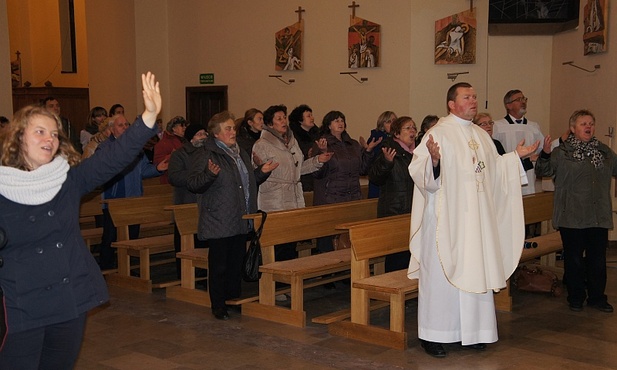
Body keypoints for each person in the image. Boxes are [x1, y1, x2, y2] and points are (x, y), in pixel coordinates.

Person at [0, 72, 162, 369]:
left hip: (68, 299)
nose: (49, 138)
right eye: (40, 131)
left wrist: (148, 118)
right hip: (22, 303)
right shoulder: (2, 188)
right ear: (18, 137)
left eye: (53, 133)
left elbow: (111, 158)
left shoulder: (66, 180)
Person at [407, 82, 539, 358]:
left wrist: (516, 158)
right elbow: (419, 173)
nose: (474, 101)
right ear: (451, 104)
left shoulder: (480, 135)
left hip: (475, 222)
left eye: (475, 97)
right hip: (447, 222)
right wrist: (433, 162)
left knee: (475, 270)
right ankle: (434, 334)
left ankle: (474, 332)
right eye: (467, 97)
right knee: (441, 277)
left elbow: (494, 169)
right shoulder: (437, 133)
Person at [187, 111, 278, 321]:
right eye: (227, 128)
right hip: (218, 217)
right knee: (219, 264)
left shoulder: (240, 153)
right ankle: (218, 305)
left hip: (240, 216)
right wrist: (209, 174)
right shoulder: (205, 154)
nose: (233, 131)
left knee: (236, 261)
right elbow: (192, 183)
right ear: (216, 134)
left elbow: (246, 183)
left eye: (233, 128)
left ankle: (232, 299)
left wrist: (262, 172)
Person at [535, 109, 615, 313]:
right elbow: (542, 172)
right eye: (583, 124)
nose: (588, 127)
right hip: (571, 215)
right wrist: (544, 153)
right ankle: (576, 296)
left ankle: (597, 297)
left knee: (597, 260)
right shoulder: (562, 153)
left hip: (598, 215)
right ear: (572, 129)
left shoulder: (604, 152)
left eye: (591, 123)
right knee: (575, 259)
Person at [252, 105, 332, 261]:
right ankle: (273, 279)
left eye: (284, 118)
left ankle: (287, 280)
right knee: (277, 244)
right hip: (274, 199)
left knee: (290, 243)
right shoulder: (262, 144)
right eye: (279, 118)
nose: (283, 121)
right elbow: (259, 174)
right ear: (270, 124)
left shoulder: (292, 142)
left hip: (294, 197)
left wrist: (317, 161)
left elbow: (298, 170)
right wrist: (264, 170)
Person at [97, 114, 168, 270]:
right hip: (115, 200)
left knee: (132, 238)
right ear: (111, 129)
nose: (125, 127)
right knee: (110, 237)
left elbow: (143, 171)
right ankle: (105, 268)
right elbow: (102, 170)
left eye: (127, 124)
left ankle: (128, 269)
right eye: (121, 125)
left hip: (134, 198)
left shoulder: (136, 148)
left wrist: (157, 168)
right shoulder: (105, 148)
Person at [312, 110, 381, 253]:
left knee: (349, 239)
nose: (340, 123)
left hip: (352, 197)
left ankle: (349, 271)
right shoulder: (321, 144)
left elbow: (362, 170)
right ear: (328, 125)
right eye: (336, 120)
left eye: (342, 120)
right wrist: (321, 153)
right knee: (329, 241)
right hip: (331, 198)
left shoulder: (353, 144)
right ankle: (328, 271)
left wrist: (368, 152)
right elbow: (317, 173)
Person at [368, 116, 416, 272]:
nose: (412, 131)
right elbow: (375, 177)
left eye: (414, 127)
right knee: (397, 258)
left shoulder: (417, 153)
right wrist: (386, 163)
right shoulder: (389, 150)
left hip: (412, 211)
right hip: (395, 211)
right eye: (408, 128)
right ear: (396, 133)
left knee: (411, 255)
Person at [168, 123, 208, 278]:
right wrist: (197, 175)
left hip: (204, 203)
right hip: (186, 202)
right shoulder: (180, 154)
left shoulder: (209, 152)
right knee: (185, 242)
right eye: (199, 134)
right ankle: (185, 275)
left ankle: (203, 274)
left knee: (203, 242)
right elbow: (174, 176)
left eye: (205, 134)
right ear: (191, 138)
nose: (203, 137)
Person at [492, 90, 545, 195]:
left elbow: (542, 150)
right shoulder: (497, 126)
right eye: (518, 99)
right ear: (509, 105)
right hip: (508, 177)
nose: (523, 102)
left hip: (529, 175)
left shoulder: (533, 126)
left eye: (524, 99)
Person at [288, 104, 320, 191]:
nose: (312, 118)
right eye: (308, 116)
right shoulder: (292, 138)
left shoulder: (318, 134)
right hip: (303, 178)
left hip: (317, 175)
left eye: (312, 115)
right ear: (300, 120)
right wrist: (307, 154)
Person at [367, 111, 397, 198]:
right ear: (382, 125)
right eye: (388, 122)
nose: (392, 124)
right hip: (378, 181)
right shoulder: (376, 138)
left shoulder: (398, 139)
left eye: (394, 121)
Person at [154, 116, 188, 184]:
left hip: (184, 178)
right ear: (174, 128)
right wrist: (172, 156)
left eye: (185, 126)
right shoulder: (163, 143)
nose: (184, 128)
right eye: (181, 126)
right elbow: (158, 162)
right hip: (169, 180)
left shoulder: (186, 141)